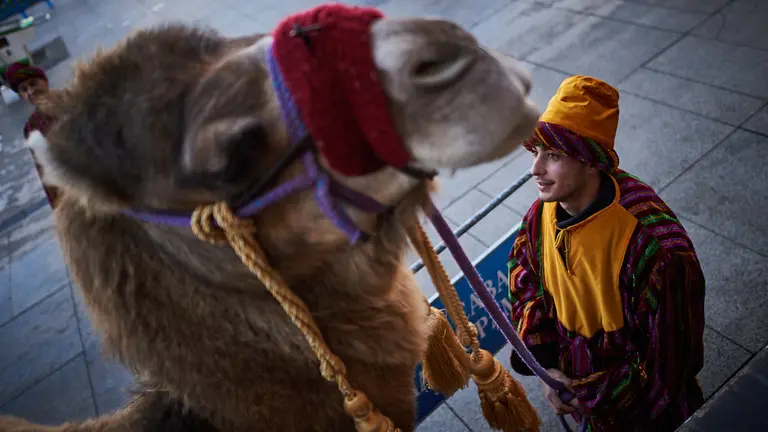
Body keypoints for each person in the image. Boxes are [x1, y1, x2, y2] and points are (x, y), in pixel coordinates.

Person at [506, 75, 706, 431]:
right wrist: (547, 364)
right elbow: (525, 276)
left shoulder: (653, 247)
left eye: (552, 155)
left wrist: (589, 394)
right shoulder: (543, 213)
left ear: (590, 162)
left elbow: (670, 363)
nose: (535, 169)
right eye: (536, 152)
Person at [5, 61, 59, 207]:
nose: (30, 91)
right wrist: (58, 207)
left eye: (33, 83)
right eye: (24, 89)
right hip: (71, 189)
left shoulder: (73, 100)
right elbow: (44, 170)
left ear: (45, 81)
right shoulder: (31, 127)